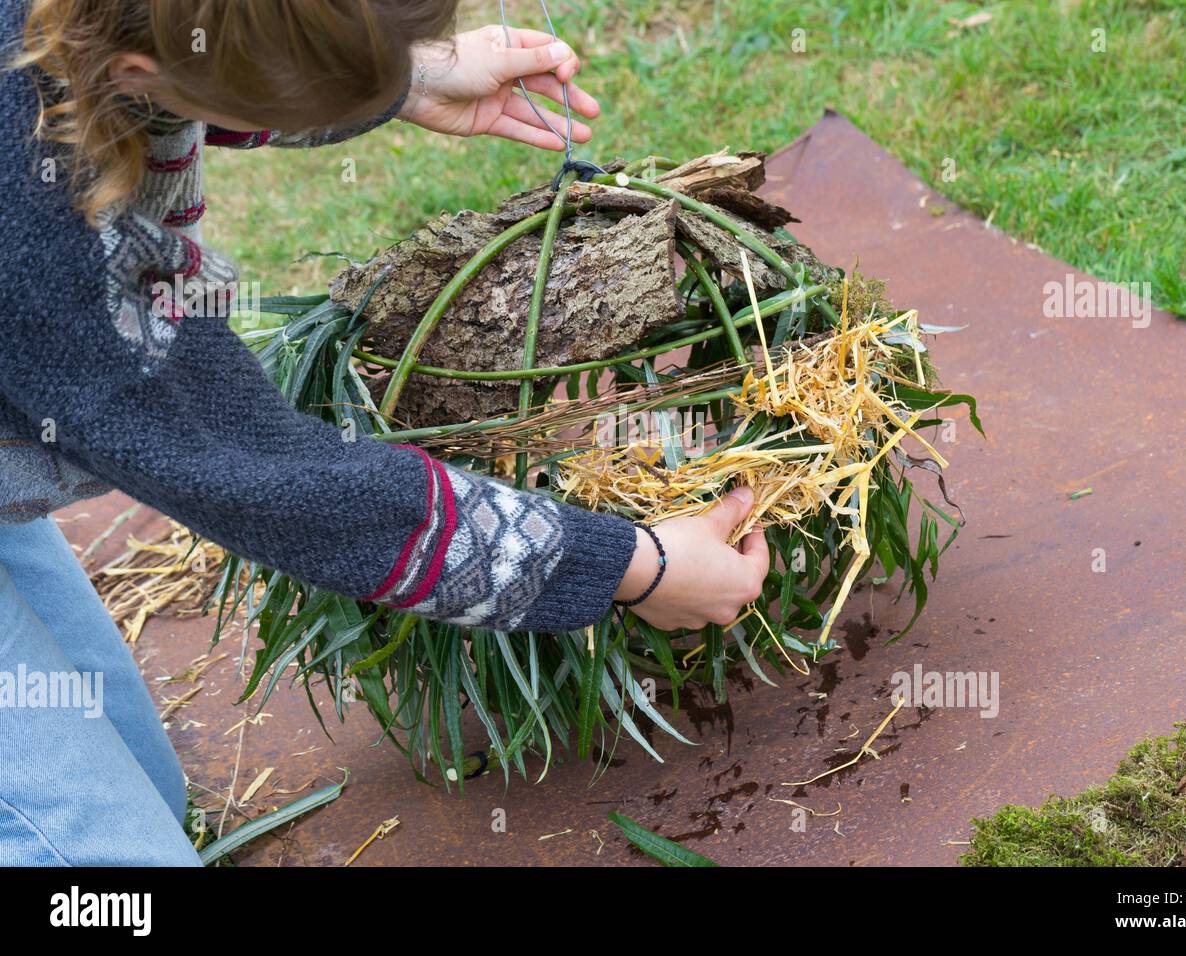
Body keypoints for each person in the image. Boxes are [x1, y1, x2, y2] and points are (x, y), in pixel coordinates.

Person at [0, 0, 768, 866]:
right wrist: (634, 568)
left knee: (148, 783)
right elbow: (268, 480)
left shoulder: (105, 32)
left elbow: (203, 62)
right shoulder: (52, 256)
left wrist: (405, 72)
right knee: (100, 861)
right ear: (135, 72)